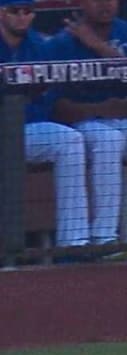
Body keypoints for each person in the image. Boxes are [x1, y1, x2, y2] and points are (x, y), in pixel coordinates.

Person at [47, 0, 127, 250]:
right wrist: (99, 109)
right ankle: (104, 239)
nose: (105, 4)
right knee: (108, 139)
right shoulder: (62, 42)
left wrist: (99, 47)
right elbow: (55, 108)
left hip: (122, 122)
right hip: (82, 126)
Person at [0, 0, 90, 256]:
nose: (21, 17)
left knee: (69, 140)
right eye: (13, 11)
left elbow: (50, 97)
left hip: (27, 131)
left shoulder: (41, 46)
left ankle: (74, 244)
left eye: (27, 11)